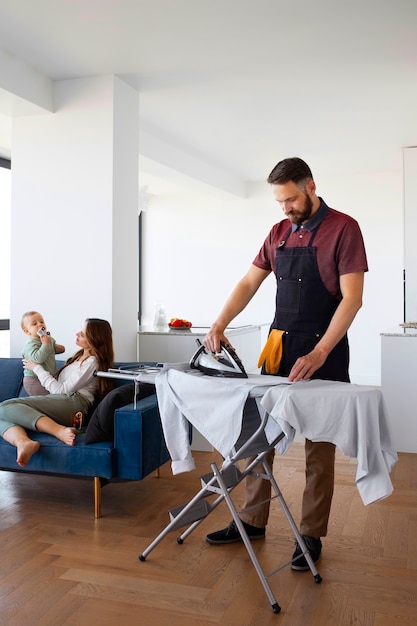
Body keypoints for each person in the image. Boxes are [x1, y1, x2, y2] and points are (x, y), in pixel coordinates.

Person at [204, 157, 368, 570]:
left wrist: (320, 352)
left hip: (323, 350)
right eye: (279, 202)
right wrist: (220, 323)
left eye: (291, 199)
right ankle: (252, 520)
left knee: (319, 446)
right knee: (258, 437)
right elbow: (248, 282)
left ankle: (310, 535)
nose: (286, 209)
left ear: (311, 186)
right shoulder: (278, 232)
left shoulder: (344, 228)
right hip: (278, 347)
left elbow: (352, 299)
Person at [0, 318, 114, 468]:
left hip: (74, 403)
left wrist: (37, 368)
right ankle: (24, 442)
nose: (77, 333)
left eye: (83, 334)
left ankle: (59, 431)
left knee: (4, 407)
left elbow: (61, 390)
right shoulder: (79, 357)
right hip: (62, 401)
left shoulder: (92, 362)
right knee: (3, 414)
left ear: (94, 339)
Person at [21, 310, 66, 396]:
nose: (40, 324)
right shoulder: (31, 344)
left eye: (41, 321)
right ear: (27, 331)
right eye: (34, 324)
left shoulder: (47, 338)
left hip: (50, 376)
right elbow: (37, 359)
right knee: (47, 400)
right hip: (34, 379)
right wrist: (46, 344)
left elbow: (51, 349)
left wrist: (57, 348)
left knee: (54, 397)